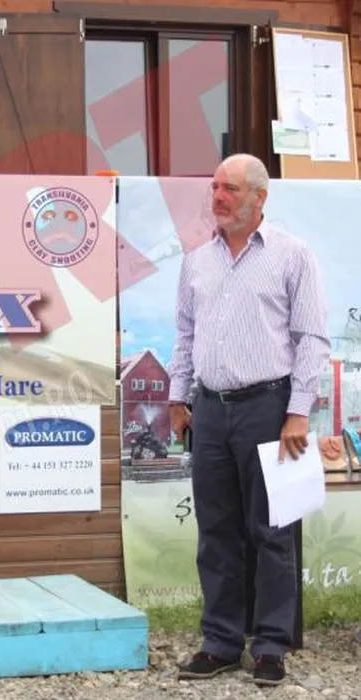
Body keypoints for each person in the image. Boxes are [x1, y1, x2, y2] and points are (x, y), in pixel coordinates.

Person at [168, 153, 330, 686]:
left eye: (230, 189)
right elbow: (185, 334)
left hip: (269, 408)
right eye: (215, 187)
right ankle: (219, 642)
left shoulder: (291, 255)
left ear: (260, 197)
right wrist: (177, 398)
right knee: (216, 531)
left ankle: (270, 647)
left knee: (272, 531)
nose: (218, 197)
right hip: (210, 412)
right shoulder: (197, 260)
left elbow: (311, 339)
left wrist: (298, 412)